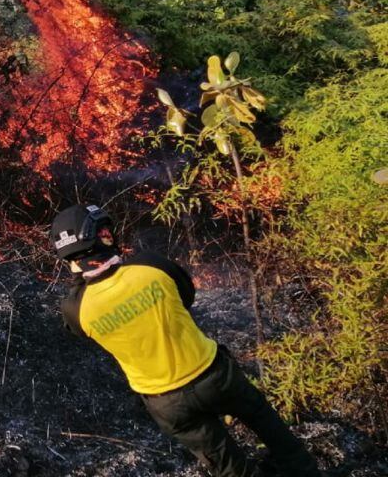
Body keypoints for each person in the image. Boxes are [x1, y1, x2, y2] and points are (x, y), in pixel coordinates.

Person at [50, 203, 320, 477]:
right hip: (213, 374)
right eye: (105, 229)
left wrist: (79, 278)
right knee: (268, 425)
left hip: (165, 402)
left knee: (229, 468)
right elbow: (186, 296)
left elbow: (79, 328)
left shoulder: (76, 309)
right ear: (101, 236)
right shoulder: (149, 265)